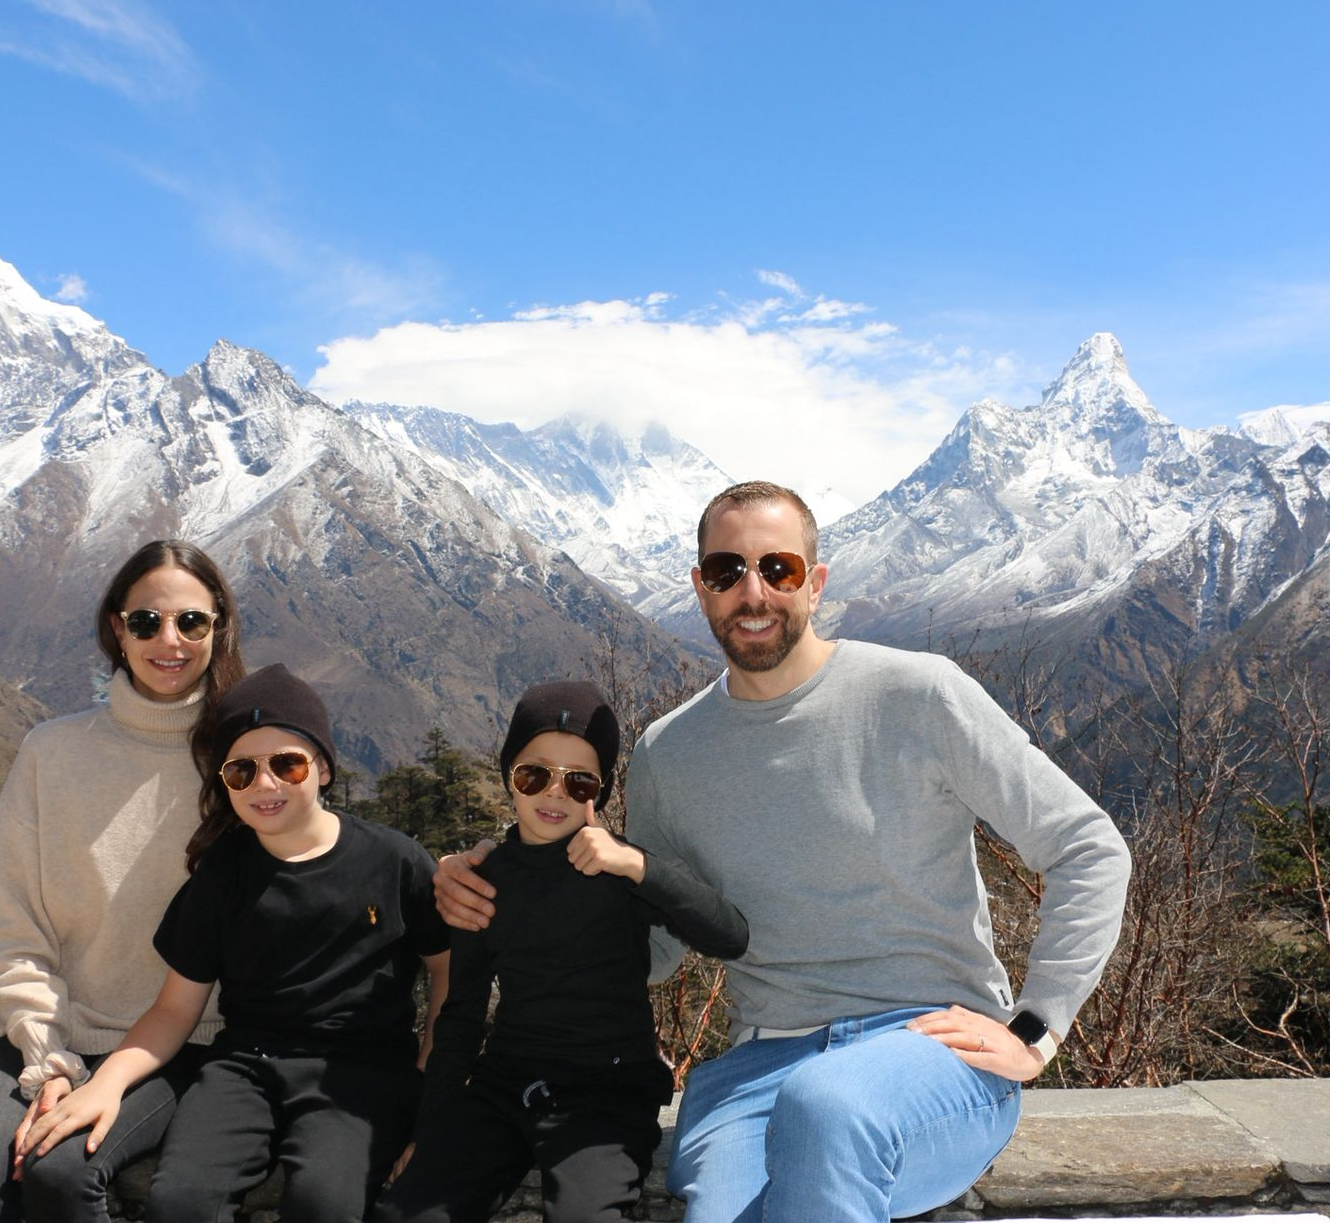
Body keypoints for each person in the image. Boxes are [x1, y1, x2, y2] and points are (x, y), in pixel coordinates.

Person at [438, 482, 1132, 1222]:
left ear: (816, 583)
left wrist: (1036, 1026)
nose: (753, 591)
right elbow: (653, 941)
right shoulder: (669, 754)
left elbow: (1087, 848)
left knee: (827, 1103)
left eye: (780, 569)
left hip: (929, 1049)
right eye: (727, 570)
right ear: (701, 587)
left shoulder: (919, 695)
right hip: (760, 1061)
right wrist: (501, 885)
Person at [21, 663, 453, 1223]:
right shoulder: (223, 872)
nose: (265, 784)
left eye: (287, 764)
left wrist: (427, 1077)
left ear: (322, 767)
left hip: (363, 1074)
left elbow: (447, 970)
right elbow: (176, 1009)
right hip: (243, 1068)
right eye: (242, 770)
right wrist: (105, 1085)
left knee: (326, 1203)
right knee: (178, 1204)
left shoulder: (395, 862)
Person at [0, 540, 246, 1223]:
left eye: (191, 622)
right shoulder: (52, 751)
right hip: (41, 1030)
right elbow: (14, 924)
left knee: (62, 1173)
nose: (170, 640)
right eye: (146, 622)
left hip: (184, 1039)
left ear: (218, 626)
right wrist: (49, 1061)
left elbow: (324, 854)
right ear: (117, 628)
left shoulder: (243, 762)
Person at [377, 681, 749, 1223]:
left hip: (611, 1090)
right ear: (510, 777)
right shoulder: (485, 881)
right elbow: (460, 1019)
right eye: (534, 775)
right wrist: (428, 1134)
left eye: (579, 782)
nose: (554, 793)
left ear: (599, 791)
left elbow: (729, 938)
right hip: (505, 1084)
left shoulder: (618, 868)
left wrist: (637, 866)